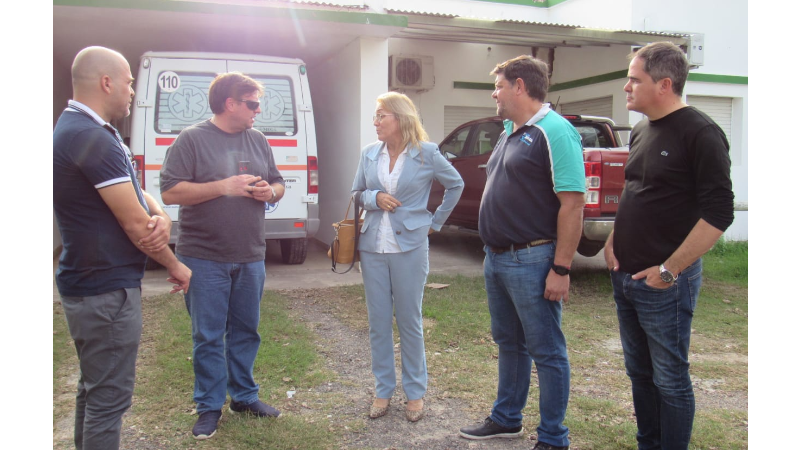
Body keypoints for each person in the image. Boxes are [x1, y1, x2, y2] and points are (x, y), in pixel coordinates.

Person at [53, 46, 192, 450]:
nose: (133, 90)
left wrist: (161, 215)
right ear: (106, 82)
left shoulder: (84, 129)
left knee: (93, 390)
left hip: (91, 284)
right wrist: (175, 264)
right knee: (108, 400)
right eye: (129, 81)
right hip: (104, 289)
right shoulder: (89, 136)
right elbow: (135, 225)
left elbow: (138, 194)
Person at [604, 42, 734, 450]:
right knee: (639, 374)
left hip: (663, 284)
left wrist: (669, 270)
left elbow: (719, 214)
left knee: (670, 380)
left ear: (664, 84)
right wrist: (612, 240)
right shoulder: (642, 129)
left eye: (634, 79)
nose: (626, 87)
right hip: (625, 275)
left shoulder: (701, 133)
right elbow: (635, 190)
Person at [459, 55, 585, 450]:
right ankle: (507, 419)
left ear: (519, 86)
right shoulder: (510, 130)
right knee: (509, 343)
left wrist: (561, 267)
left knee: (546, 350)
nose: (494, 93)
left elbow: (573, 204)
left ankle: (553, 437)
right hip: (497, 257)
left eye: (498, 85)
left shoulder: (555, 132)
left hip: (533, 259)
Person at [159, 72, 286, 440]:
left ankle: (244, 397)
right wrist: (223, 187)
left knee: (246, 331)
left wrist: (270, 192)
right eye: (252, 103)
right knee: (209, 335)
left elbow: (278, 182)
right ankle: (209, 407)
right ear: (230, 104)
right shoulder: (192, 139)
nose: (258, 111)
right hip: (203, 256)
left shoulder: (258, 139)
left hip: (250, 255)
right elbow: (170, 192)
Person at [352, 92, 464, 422]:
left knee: (409, 321)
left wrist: (435, 222)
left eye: (381, 115)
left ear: (400, 118)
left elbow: (455, 184)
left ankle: (415, 392)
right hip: (372, 247)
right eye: (375, 116)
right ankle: (383, 389)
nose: (375, 122)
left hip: (410, 247)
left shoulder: (426, 153)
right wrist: (375, 197)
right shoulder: (369, 154)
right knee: (378, 323)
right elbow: (356, 192)